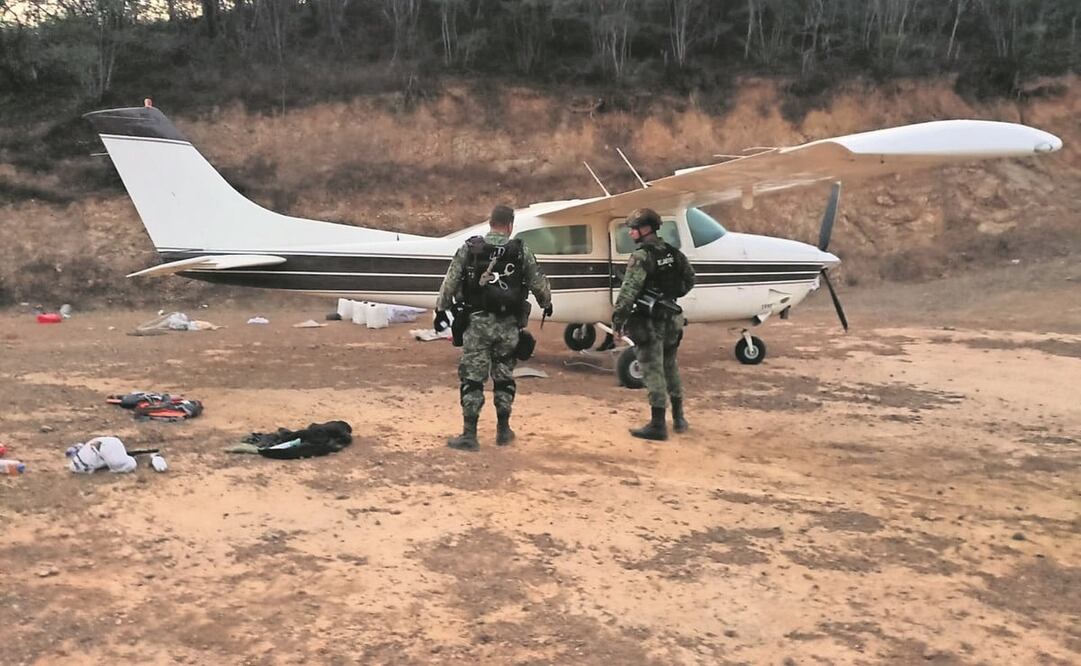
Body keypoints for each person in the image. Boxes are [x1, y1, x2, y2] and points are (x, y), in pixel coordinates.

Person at [434, 205, 552, 451]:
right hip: (508, 326)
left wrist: (440, 309)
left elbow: (450, 282)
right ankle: (503, 431)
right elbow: (538, 283)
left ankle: (469, 435)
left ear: (490, 222)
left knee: (473, 379)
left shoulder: (470, 248)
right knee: (504, 377)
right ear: (510, 225)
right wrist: (546, 303)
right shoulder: (521, 250)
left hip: (476, 325)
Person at [611, 208, 695, 441]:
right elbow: (689, 280)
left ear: (645, 229)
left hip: (650, 322)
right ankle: (679, 418)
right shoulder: (673, 253)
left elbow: (628, 293)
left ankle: (658, 425)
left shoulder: (642, 257)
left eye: (633, 229)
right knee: (670, 366)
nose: (630, 233)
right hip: (672, 320)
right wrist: (668, 296)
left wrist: (618, 320)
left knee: (652, 368)